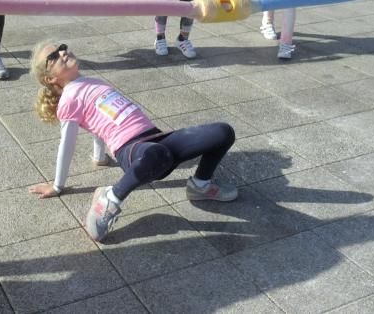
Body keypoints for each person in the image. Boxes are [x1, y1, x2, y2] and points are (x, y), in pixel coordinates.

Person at [28, 42, 237, 242]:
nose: (63, 53)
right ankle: (110, 198)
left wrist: (99, 157)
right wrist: (57, 186)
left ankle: (200, 185)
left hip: (155, 138)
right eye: (53, 57)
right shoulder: (69, 99)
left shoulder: (93, 81)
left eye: (62, 48)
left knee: (223, 132)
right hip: (132, 149)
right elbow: (67, 143)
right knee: (158, 155)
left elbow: (99, 122)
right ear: (50, 79)